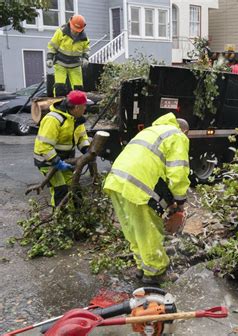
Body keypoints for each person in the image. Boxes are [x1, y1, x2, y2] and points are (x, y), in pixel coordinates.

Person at [103, 113, 190, 284]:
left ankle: (143, 267)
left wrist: (170, 204)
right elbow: (177, 172)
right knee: (149, 230)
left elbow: (154, 166)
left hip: (116, 181)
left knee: (133, 230)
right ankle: (156, 273)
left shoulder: (151, 131)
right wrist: (179, 205)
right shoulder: (177, 135)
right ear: (184, 131)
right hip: (138, 186)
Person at [33, 90, 90, 207]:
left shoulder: (77, 119)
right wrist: (56, 162)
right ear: (77, 107)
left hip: (65, 160)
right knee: (61, 189)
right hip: (47, 162)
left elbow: (81, 137)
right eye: (84, 106)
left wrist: (86, 149)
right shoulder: (53, 119)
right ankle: (60, 217)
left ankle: (78, 217)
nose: (85, 109)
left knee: (75, 188)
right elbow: (43, 146)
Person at [47, 15, 90, 97]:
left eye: (78, 31)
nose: (76, 32)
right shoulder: (60, 33)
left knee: (78, 88)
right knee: (60, 86)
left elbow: (86, 50)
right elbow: (52, 46)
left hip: (75, 65)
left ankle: (78, 105)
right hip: (60, 63)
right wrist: (49, 58)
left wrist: (85, 58)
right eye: (74, 30)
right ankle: (59, 104)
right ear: (70, 24)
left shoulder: (84, 38)